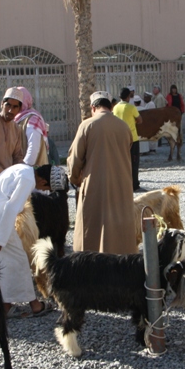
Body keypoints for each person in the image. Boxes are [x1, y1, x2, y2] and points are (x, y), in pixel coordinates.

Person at [0, 163, 65, 318]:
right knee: (18, 259)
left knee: (5, 261)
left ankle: (5, 305)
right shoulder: (28, 180)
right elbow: (11, 209)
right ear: (42, 181)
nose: (43, 191)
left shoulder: (23, 169)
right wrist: (0, 242)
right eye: (45, 189)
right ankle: (34, 305)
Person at [68, 91, 137, 254]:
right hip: (122, 186)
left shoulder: (87, 125)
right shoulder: (123, 127)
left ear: (93, 107)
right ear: (111, 106)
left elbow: (75, 159)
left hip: (95, 187)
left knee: (92, 232)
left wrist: (75, 178)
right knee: (119, 231)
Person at [113, 87, 142, 191]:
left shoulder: (115, 108)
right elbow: (140, 120)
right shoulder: (131, 107)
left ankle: (122, 184)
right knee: (134, 162)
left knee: (121, 162)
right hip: (132, 138)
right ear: (128, 97)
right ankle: (134, 184)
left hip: (119, 139)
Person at [14, 87, 50, 167]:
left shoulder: (32, 119)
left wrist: (24, 168)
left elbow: (33, 148)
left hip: (32, 172)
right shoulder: (17, 118)